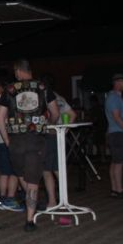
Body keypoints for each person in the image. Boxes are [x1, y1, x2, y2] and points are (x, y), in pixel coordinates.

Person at [0, 59, 59, 232]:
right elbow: (55, 112)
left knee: (22, 176)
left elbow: (0, 117)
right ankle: (30, 220)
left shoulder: (10, 89)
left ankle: (32, 208)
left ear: (17, 71)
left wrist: (6, 139)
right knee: (32, 180)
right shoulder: (43, 87)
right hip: (36, 139)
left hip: (16, 140)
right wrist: (48, 125)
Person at [41, 83, 77, 211]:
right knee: (58, 168)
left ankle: (52, 201)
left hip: (48, 135)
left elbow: (54, 114)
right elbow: (73, 114)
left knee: (46, 170)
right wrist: (65, 130)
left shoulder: (43, 96)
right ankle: (64, 198)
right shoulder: (59, 97)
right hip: (59, 136)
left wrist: (50, 126)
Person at [0, 82, 23, 212]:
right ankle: (10, 199)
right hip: (11, 138)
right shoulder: (14, 98)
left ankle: (3, 198)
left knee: (4, 171)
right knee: (15, 171)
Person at [104, 73, 123, 197]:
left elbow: (118, 113)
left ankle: (115, 189)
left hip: (116, 133)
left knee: (115, 161)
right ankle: (119, 190)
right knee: (119, 162)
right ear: (117, 82)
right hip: (119, 133)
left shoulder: (116, 97)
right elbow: (116, 117)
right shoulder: (113, 98)